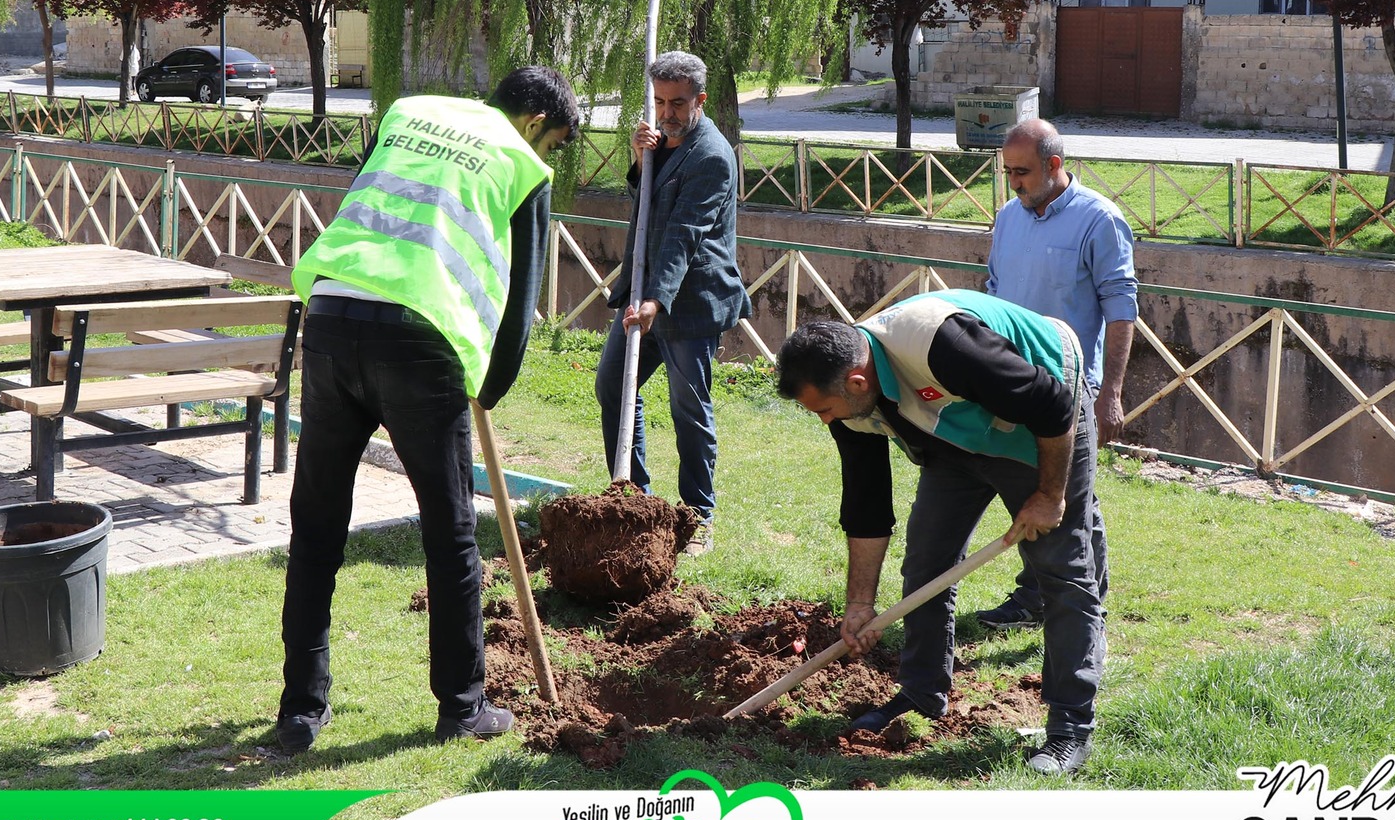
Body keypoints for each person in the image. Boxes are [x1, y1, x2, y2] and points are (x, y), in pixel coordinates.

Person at [274, 66, 580, 753]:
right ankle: (463, 705)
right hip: (419, 340)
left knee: (317, 524)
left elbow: (370, 204)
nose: (549, 154)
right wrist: (490, 388)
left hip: (328, 314)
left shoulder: (408, 110)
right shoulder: (522, 163)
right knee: (450, 533)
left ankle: (300, 708)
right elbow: (518, 304)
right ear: (535, 122)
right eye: (555, 141)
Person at [775, 290, 1104, 776]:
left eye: (824, 410)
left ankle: (1070, 727)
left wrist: (1052, 496)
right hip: (955, 434)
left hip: (1044, 414)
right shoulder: (849, 398)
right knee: (927, 562)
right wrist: (860, 604)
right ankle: (922, 693)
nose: (825, 421)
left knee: (1060, 570)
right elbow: (866, 504)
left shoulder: (939, 344)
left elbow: (1051, 404)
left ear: (857, 380)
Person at [977, 118, 1137, 631]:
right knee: (1036, 491)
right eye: (1008, 172)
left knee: (1070, 496)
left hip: (1071, 386)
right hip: (1012, 380)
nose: (1014, 183)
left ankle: (1077, 600)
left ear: (1054, 165)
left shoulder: (1100, 220)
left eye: (1022, 172)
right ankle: (1041, 596)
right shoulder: (1008, 215)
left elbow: (1122, 310)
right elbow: (995, 290)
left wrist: (1110, 393)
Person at [596, 50, 749, 555]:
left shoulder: (711, 155)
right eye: (660, 102)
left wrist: (656, 302)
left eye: (678, 103)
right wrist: (643, 161)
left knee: (689, 409)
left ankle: (697, 518)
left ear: (700, 100)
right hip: (645, 293)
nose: (667, 113)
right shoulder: (662, 140)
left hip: (691, 301)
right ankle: (636, 498)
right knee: (614, 386)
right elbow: (650, 206)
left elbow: (684, 233)